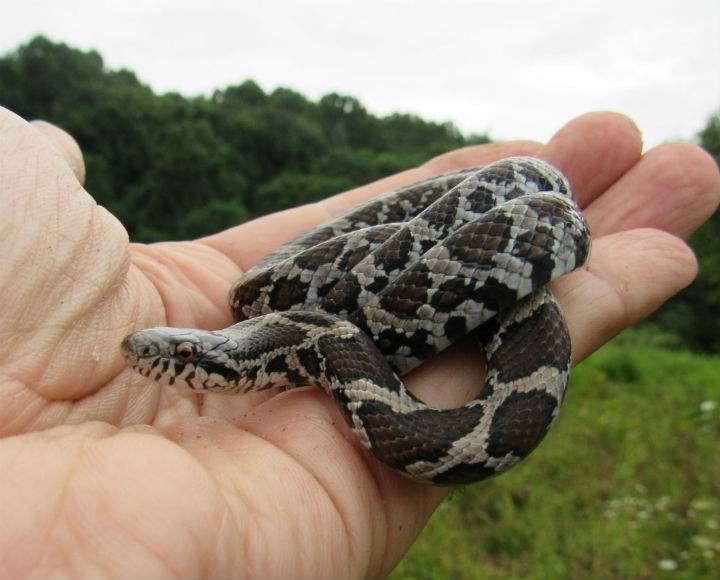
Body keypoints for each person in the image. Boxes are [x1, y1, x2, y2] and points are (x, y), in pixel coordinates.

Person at [0, 106, 717, 578]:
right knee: (259, 290)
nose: (167, 359)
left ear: (227, 360)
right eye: (179, 354)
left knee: (527, 196)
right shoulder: (269, 312)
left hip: (518, 220)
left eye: (184, 356)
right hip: (349, 305)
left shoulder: (301, 339)